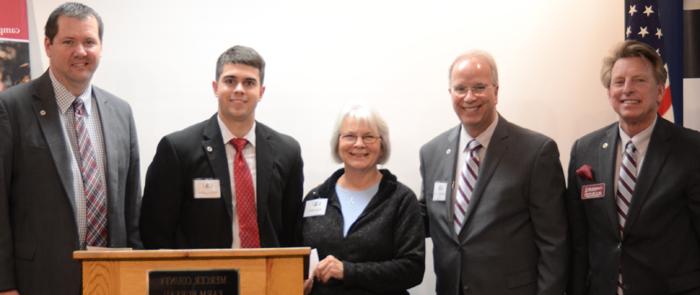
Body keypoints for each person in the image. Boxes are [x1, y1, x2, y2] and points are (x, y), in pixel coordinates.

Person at [0, 3, 142, 295]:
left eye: (89, 41)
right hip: (37, 279)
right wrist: (4, 284)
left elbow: (132, 205)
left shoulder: (120, 112)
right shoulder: (11, 107)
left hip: (111, 278)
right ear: (48, 45)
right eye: (68, 41)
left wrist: (136, 273)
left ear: (100, 48)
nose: (81, 51)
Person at [419, 50, 568, 295]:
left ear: (496, 92)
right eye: (460, 89)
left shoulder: (536, 152)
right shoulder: (431, 152)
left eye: (479, 87)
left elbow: (554, 243)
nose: (469, 97)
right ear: (450, 94)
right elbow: (426, 218)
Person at [566, 40, 700, 295]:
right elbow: (579, 241)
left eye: (639, 80)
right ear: (609, 93)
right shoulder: (585, 150)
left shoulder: (692, 150)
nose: (628, 89)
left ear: (660, 91)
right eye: (619, 82)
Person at [140, 45, 304, 249]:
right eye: (230, 81)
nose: (239, 89)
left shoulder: (287, 151)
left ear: (261, 92)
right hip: (201, 278)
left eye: (249, 82)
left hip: (268, 275)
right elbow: (155, 231)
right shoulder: (177, 149)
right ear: (215, 87)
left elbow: (292, 230)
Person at [301, 104, 424, 295]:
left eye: (368, 137)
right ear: (337, 143)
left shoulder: (401, 200)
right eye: (350, 136)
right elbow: (298, 257)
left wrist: (348, 271)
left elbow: (413, 269)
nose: (359, 144)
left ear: (382, 145)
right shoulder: (315, 198)